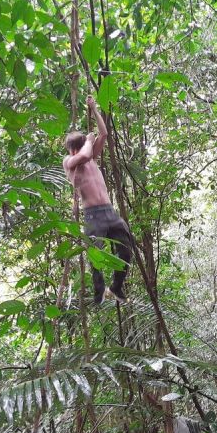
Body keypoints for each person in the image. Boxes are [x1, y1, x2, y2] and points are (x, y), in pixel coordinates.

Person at [63, 95, 131, 305]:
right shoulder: (70, 161)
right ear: (76, 148)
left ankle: (116, 287)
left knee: (126, 248)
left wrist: (93, 109)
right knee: (96, 255)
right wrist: (89, 142)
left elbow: (104, 133)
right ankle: (99, 292)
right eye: (85, 146)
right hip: (93, 215)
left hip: (110, 212)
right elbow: (82, 156)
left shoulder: (91, 158)